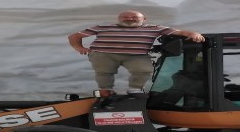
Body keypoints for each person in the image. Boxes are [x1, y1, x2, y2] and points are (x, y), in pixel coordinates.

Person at [68, 10, 205, 96]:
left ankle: (135, 89)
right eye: (125, 17)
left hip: (136, 55)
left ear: (144, 19)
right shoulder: (104, 26)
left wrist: (193, 33)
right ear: (119, 18)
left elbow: (178, 32)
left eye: (134, 17)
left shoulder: (154, 28)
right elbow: (74, 36)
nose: (129, 19)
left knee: (144, 69)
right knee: (104, 71)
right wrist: (79, 48)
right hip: (104, 53)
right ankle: (106, 90)